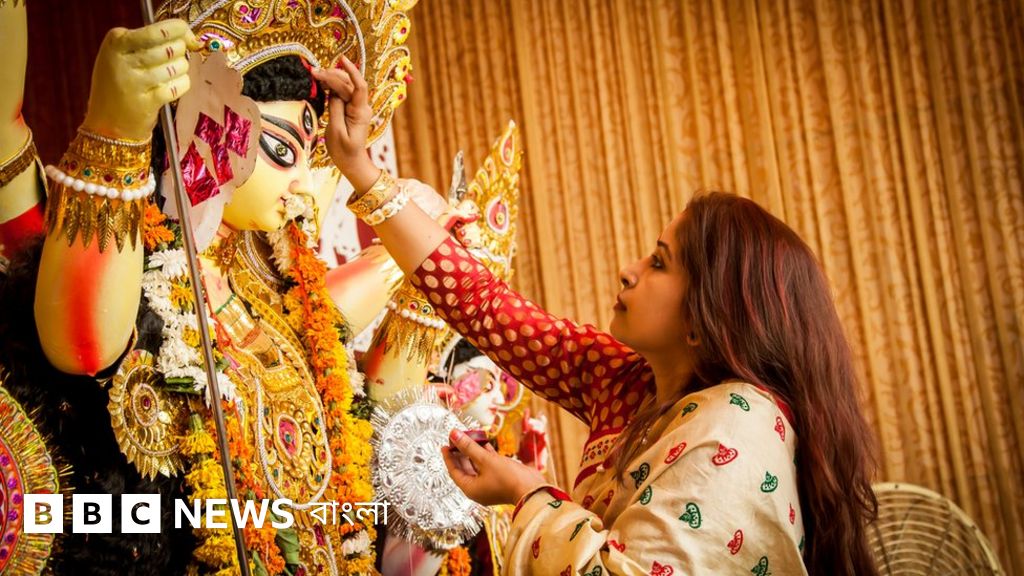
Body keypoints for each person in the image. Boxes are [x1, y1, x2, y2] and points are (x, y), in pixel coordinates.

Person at [313, 61, 881, 575]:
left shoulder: (739, 425)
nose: (628, 271)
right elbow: (482, 304)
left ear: (705, 320)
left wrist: (526, 493)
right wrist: (359, 166)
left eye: (659, 263)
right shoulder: (627, 383)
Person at [0, 1, 420, 573]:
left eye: (309, 157)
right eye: (282, 151)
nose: (303, 184)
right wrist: (115, 132)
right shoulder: (140, 263)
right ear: (212, 122)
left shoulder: (275, 284)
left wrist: (413, 258)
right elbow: (85, 346)